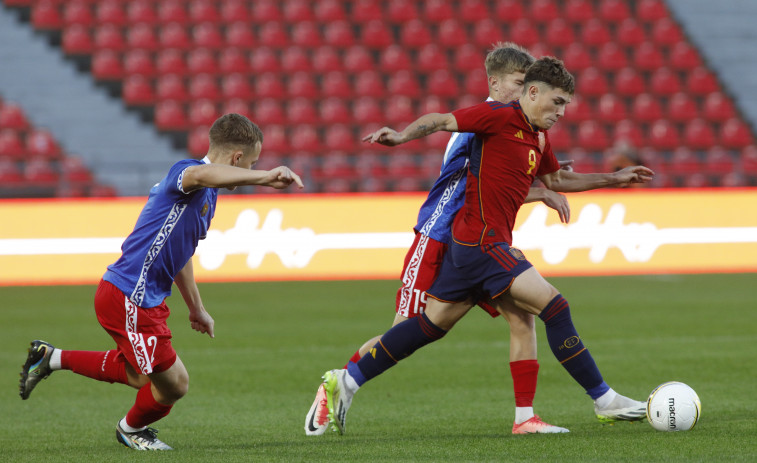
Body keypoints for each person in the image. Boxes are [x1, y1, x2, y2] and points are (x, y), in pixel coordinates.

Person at [316, 57, 655, 435]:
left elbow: (557, 178)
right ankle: (604, 399)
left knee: (429, 327)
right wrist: (400, 137)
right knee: (555, 307)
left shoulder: (538, 136)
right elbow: (443, 120)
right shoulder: (498, 116)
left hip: (474, 248)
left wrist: (615, 178)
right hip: (480, 242)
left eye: (565, 105)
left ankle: (347, 380)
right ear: (532, 91)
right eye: (557, 102)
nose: (561, 112)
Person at [18, 114, 303, 451]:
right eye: (251, 163)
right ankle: (131, 429)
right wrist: (266, 177)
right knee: (173, 384)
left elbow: (180, 254)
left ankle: (50, 358)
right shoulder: (186, 174)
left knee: (145, 375)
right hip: (128, 296)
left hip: (144, 300)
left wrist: (197, 308)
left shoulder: (208, 197)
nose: (249, 172)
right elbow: (200, 173)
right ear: (237, 159)